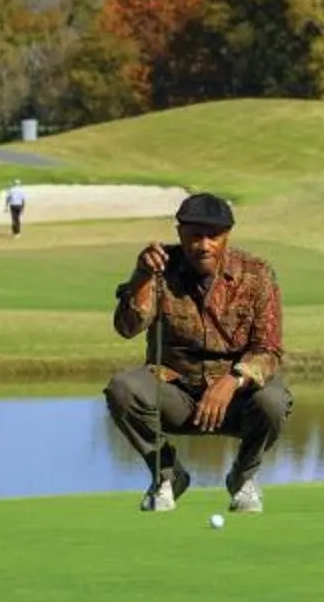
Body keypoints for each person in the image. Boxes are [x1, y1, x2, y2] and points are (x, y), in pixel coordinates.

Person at [106, 191, 289, 515]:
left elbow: (269, 350)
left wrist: (232, 380)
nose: (203, 245)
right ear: (179, 233)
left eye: (212, 236)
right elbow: (126, 328)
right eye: (194, 236)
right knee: (122, 388)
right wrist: (141, 277)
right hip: (175, 394)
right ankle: (167, 476)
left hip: (236, 400)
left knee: (274, 401)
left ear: (227, 237)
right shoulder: (159, 269)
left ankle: (243, 479)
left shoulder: (257, 274)